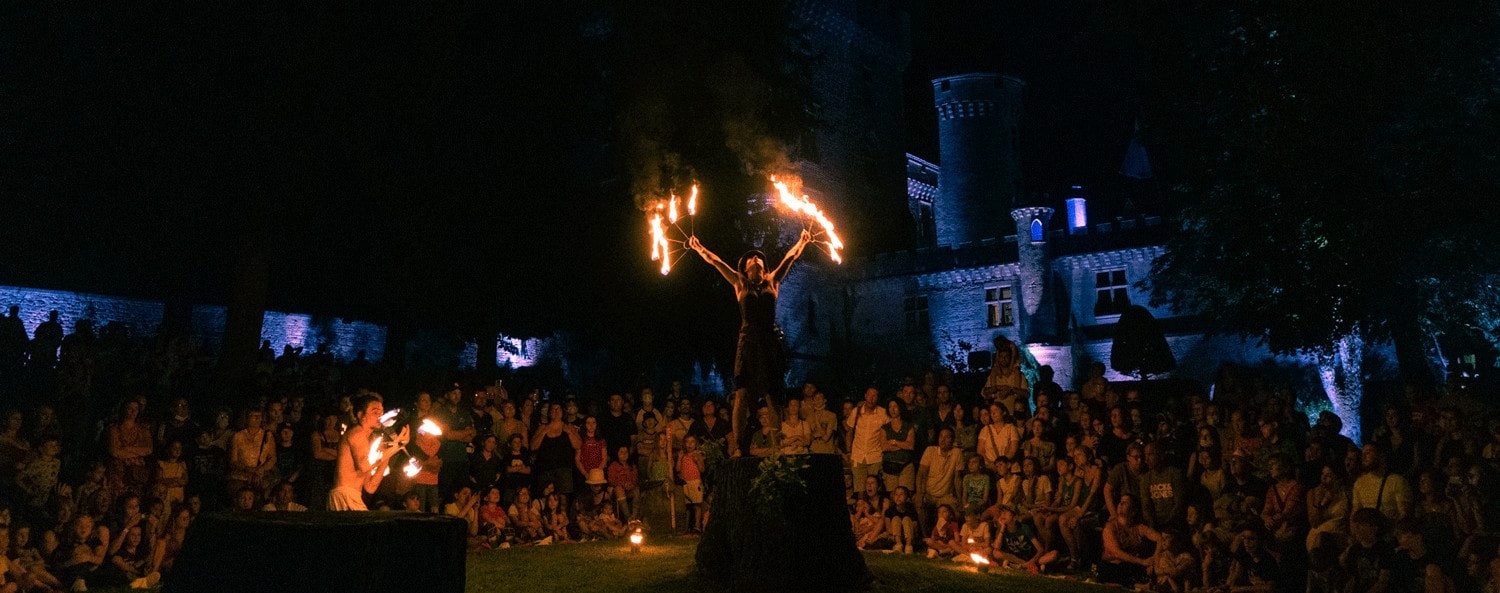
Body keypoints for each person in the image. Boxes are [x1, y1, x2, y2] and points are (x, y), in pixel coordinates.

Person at [687, 229, 813, 453]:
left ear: (763, 266)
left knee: (772, 395)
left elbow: (790, 257)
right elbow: (715, 262)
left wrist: (802, 241)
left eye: (757, 258)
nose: (754, 259)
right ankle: (738, 447)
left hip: (768, 343)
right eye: (750, 259)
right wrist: (698, 248)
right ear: (745, 268)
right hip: (747, 342)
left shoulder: (772, 281)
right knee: (743, 393)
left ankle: (776, 448)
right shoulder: (740, 284)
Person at [329, 394, 408, 511]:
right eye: (375, 412)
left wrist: (388, 454)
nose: (380, 417)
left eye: (381, 413)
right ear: (361, 415)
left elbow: (370, 486)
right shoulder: (357, 433)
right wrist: (397, 446)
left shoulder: (367, 441)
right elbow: (364, 466)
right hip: (344, 495)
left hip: (352, 495)